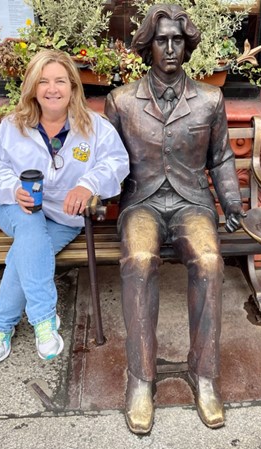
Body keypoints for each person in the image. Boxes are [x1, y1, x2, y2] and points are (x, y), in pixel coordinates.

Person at [104, 4, 245, 434]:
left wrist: (232, 203)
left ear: (187, 46)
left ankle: (204, 375)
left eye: (177, 40)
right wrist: (95, 195)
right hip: (142, 202)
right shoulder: (122, 101)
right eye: (162, 40)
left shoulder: (209, 99)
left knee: (208, 261)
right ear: (148, 45)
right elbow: (107, 161)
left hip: (191, 203)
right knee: (141, 260)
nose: (170, 48)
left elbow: (220, 157)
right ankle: (141, 380)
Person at [0, 49, 129, 365]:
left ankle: (0, 324)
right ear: (33, 88)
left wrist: (89, 184)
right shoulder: (14, 125)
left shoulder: (94, 127)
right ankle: (44, 319)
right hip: (14, 206)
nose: (52, 89)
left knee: (27, 252)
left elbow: (117, 162)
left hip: (64, 216)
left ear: (73, 87)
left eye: (60, 81)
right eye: (43, 81)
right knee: (29, 223)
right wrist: (12, 188)